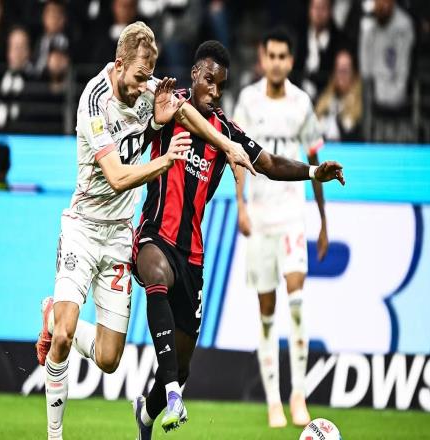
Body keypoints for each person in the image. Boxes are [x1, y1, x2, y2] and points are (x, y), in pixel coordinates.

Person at [34, 21, 256, 440]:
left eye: (148, 78)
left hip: (119, 235)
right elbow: (118, 177)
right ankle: (54, 434)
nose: (143, 88)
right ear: (119, 65)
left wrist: (226, 145)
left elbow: (188, 114)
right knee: (62, 334)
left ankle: (52, 316)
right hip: (84, 227)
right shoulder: (94, 103)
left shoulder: (148, 87)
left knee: (109, 359)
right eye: (138, 77)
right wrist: (166, 158)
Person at [131, 39, 344, 439]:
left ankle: (149, 410)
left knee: (183, 362)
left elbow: (270, 163)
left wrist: (313, 172)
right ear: (195, 74)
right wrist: (157, 124)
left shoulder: (226, 131)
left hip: (192, 255)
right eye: (209, 81)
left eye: (221, 86)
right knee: (154, 274)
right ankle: (174, 394)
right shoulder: (169, 102)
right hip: (155, 233)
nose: (214, 91)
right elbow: (138, 134)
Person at [234, 28, 327, 428]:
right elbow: (237, 156)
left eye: (282, 56)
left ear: (290, 61)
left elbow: (315, 162)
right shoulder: (247, 101)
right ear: (263, 58)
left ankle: (298, 394)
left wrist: (323, 221)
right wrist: (240, 205)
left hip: (292, 217)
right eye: (270, 56)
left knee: (298, 303)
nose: (275, 63)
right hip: (259, 219)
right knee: (267, 313)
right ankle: (274, 401)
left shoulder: (302, 103)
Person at [359, 0, 415, 110]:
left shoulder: (403, 24)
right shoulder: (368, 22)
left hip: (396, 97)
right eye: (378, 2)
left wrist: (397, 92)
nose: (382, 6)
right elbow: (364, 59)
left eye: (385, 2)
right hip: (371, 94)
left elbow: (403, 65)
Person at [316, 49, 363, 141]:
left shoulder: (360, 103)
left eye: (345, 70)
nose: (341, 76)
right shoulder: (325, 100)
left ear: (353, 73)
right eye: (339, 70)